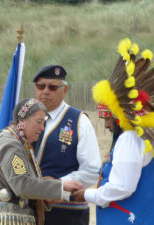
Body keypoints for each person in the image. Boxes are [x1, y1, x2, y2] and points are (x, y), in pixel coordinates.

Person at [72, 38, 154, 225]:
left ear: (119, 116)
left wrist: (86, 194)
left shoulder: (130, 139)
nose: (106, 126)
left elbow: (123, 187)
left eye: (108, 119)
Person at [0, 98, 83, 225]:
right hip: (6, 219)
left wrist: (48, 189)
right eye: (39, 122)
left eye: (44, 123)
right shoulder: (11, 145)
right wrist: (61, 187)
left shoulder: (20, 144)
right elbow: (22, 184)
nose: (42, 128)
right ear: (22, 122)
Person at [32, 65, 102, 225]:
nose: (45, 91)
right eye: (40, 86)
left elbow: (92, 170)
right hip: (30, 211)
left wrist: (58, 186)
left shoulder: (79, 121)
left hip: (66, 213)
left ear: (65, 90)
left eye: (52, 87)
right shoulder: (26, 119)